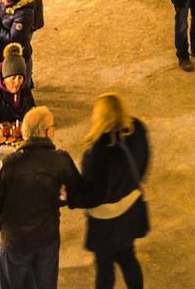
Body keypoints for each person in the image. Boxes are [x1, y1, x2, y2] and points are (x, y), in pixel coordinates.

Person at [0, 106, 80, 289]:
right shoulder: (61, 160)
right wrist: (61, 200)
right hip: (46, 238)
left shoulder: (8, 165)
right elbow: (78, 195)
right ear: (48, 132)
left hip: (14, 241)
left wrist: (2, 225)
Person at [76, 94, 151, 288]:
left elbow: (94, 194)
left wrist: (74, 197)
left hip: (105, 223)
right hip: (131, 211)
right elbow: (143, 164)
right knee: (128, 258)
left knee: (104, 267)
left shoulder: (97, 152)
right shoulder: (137, 131)